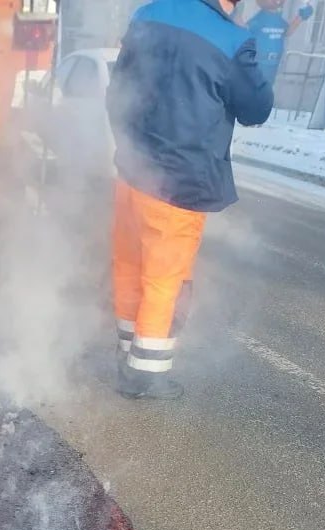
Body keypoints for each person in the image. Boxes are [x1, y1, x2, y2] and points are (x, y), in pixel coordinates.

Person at [107, 0, 274, 400]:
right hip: (178, 183)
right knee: (165, 280)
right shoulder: (232, 39)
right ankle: (144, 376)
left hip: (132, 171)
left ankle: (127, 352)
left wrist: (128, 145)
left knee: (129, 266)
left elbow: (118, 91)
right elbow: (257, 108)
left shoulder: (148, 14)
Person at [241, 1, 314, 87]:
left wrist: (301, 16)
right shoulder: (257, 20)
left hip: (274, 64)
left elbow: (287, 31)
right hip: (260, 63)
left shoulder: (279, 20)